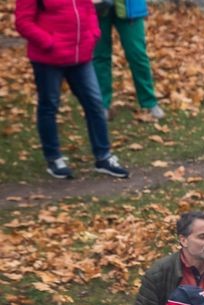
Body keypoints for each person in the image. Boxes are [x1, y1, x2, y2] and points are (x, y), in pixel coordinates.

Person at [14, 0, 129, 179]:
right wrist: (49, 42)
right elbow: (23, 22)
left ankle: (103, 157)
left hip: (81, 55)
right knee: (49, 105)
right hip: (48, 59)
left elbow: (88, 8)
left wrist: (93, 34)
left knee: (95, 104)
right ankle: (54, 158)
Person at [92, 0, 163, 119]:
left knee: (137, 54)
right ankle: (102, 104)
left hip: (130, 7)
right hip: (98, 7)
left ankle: (149, 101)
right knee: (100, 56)